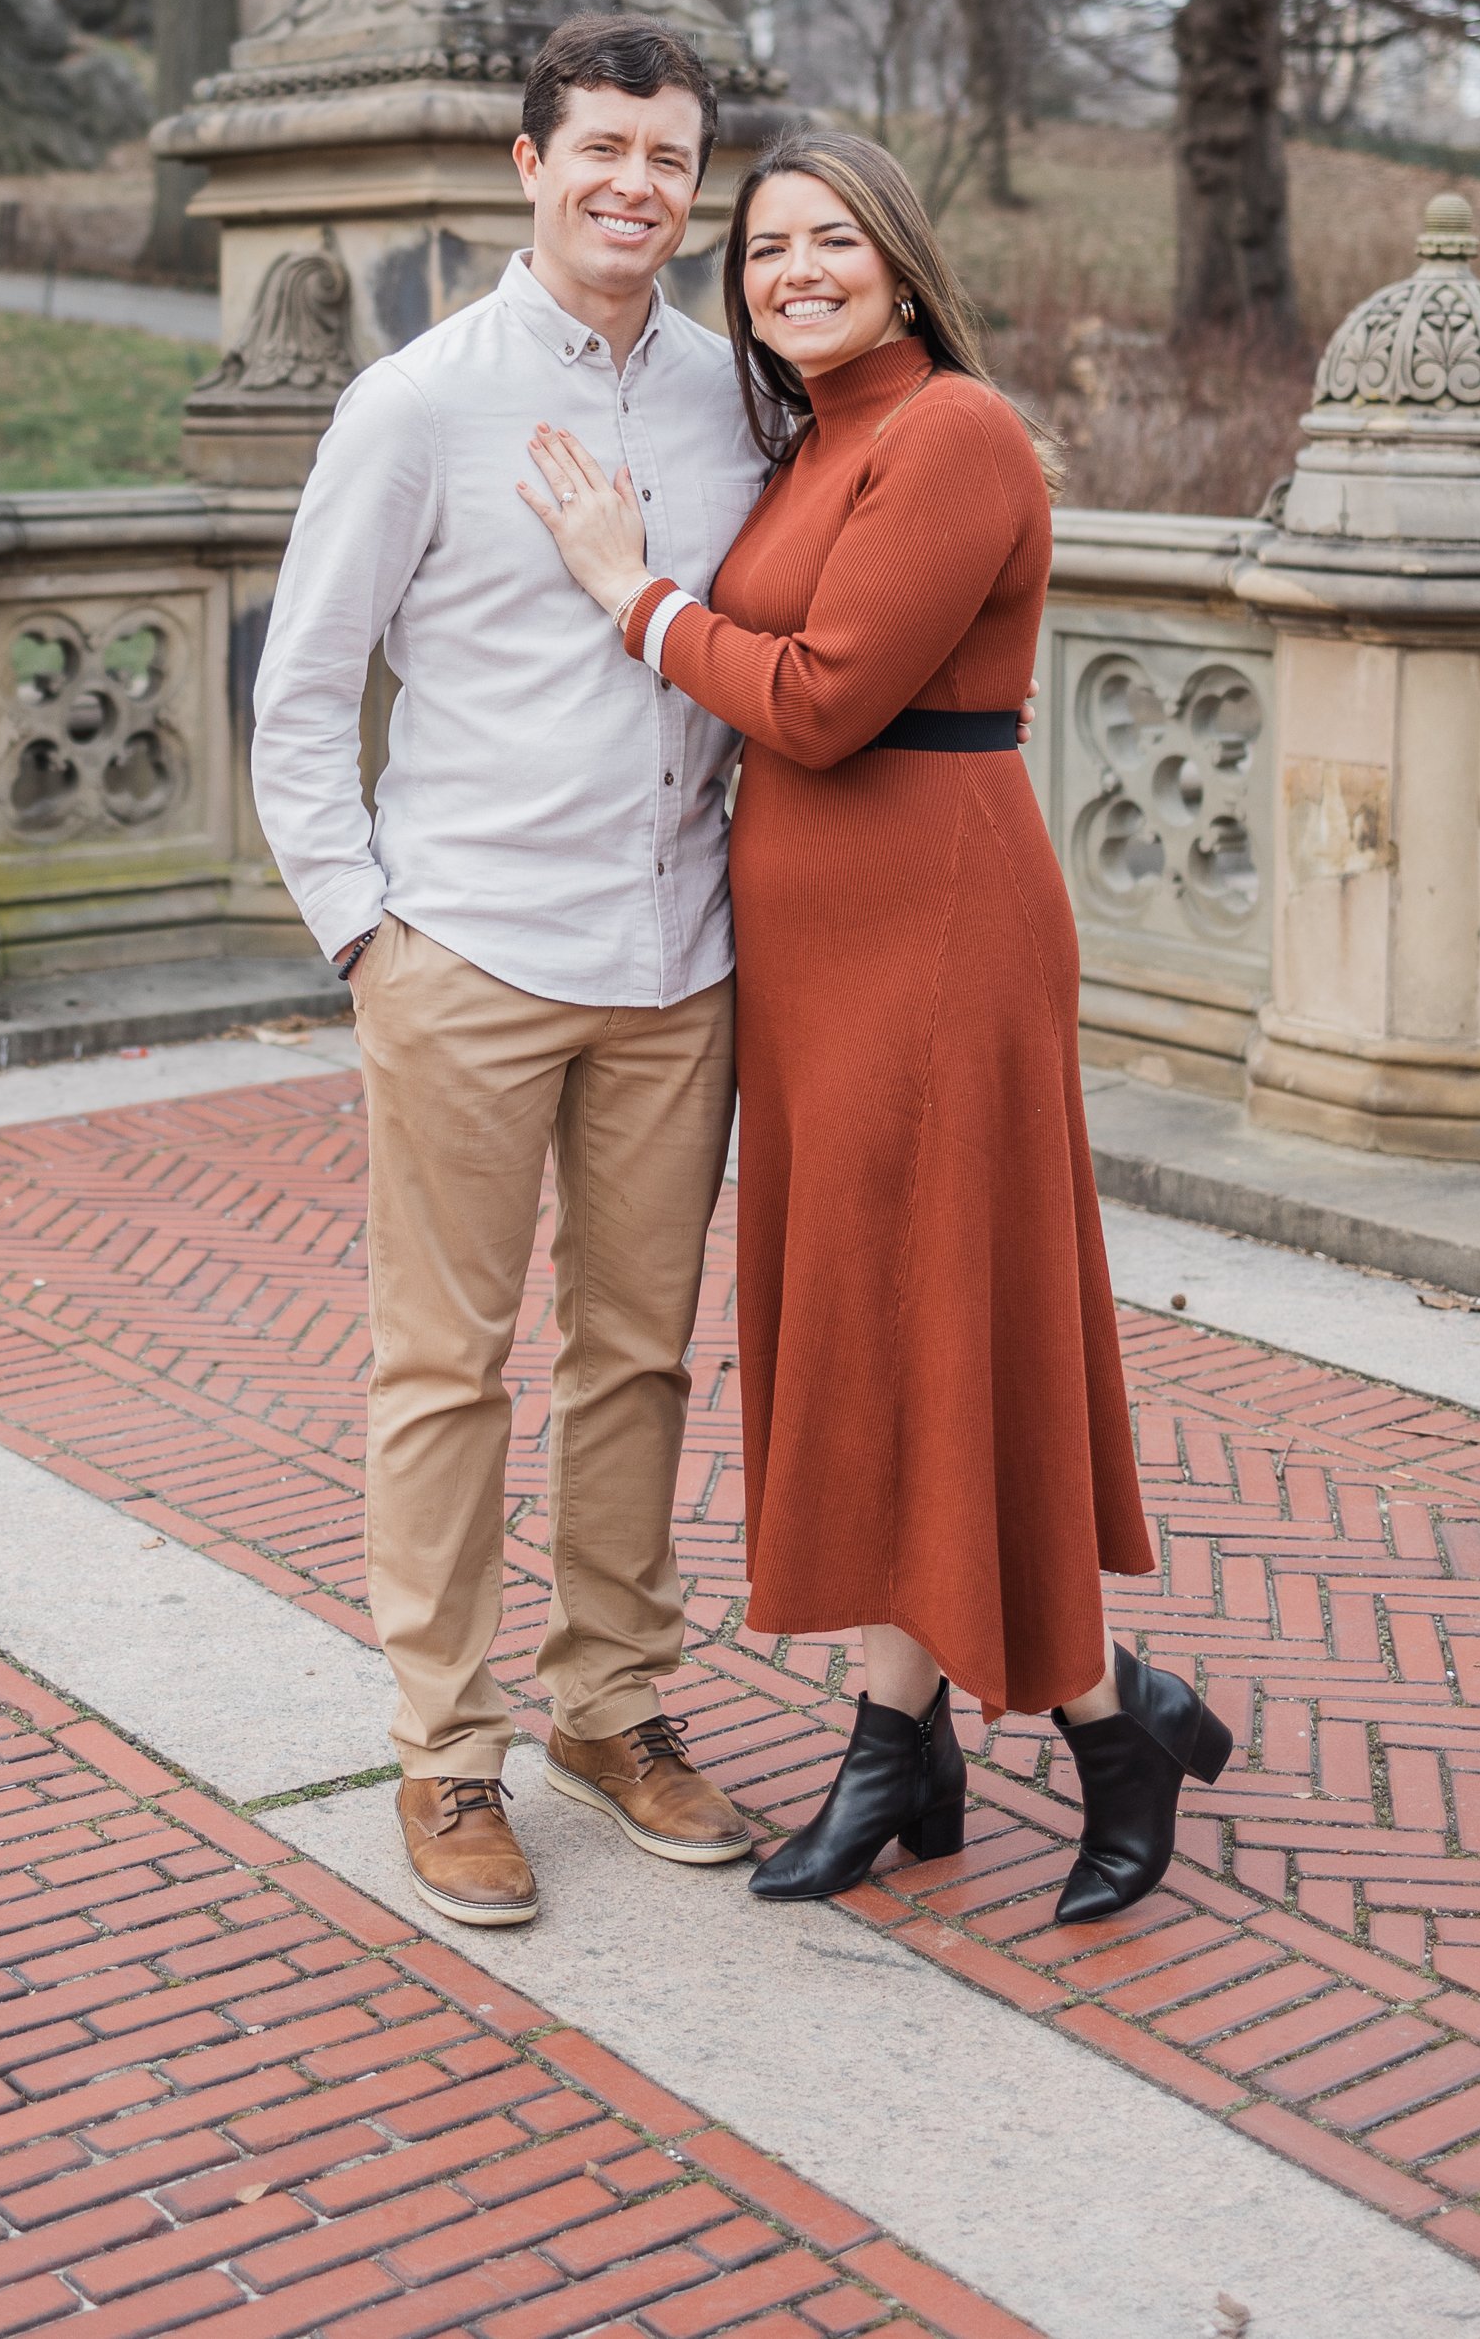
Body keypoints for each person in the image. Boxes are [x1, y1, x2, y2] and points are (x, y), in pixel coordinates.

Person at [519, 128, 1231, 1925]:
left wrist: (632, 594)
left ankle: (1086, 1718)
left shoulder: (953, 433)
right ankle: (916, 1739)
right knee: (876, 1328)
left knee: (940, 1323)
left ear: (902, 264)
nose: (793, 271)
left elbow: (826, 703)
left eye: (831, 241)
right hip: (823, 956)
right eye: (763, 250)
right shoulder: (818, 438)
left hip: (937, 932)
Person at [251, 14, 767, 1931]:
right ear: (526, 163)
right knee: (444, 1367)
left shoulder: (741, 397)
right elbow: (301, 691)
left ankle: (609, 1710)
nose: (638, 183)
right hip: (464, 950)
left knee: (636, 1356)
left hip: (678, 956)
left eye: (669, 156)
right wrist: (366, 939)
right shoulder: (417, 401)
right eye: (604, 148)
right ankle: (444, 1747)